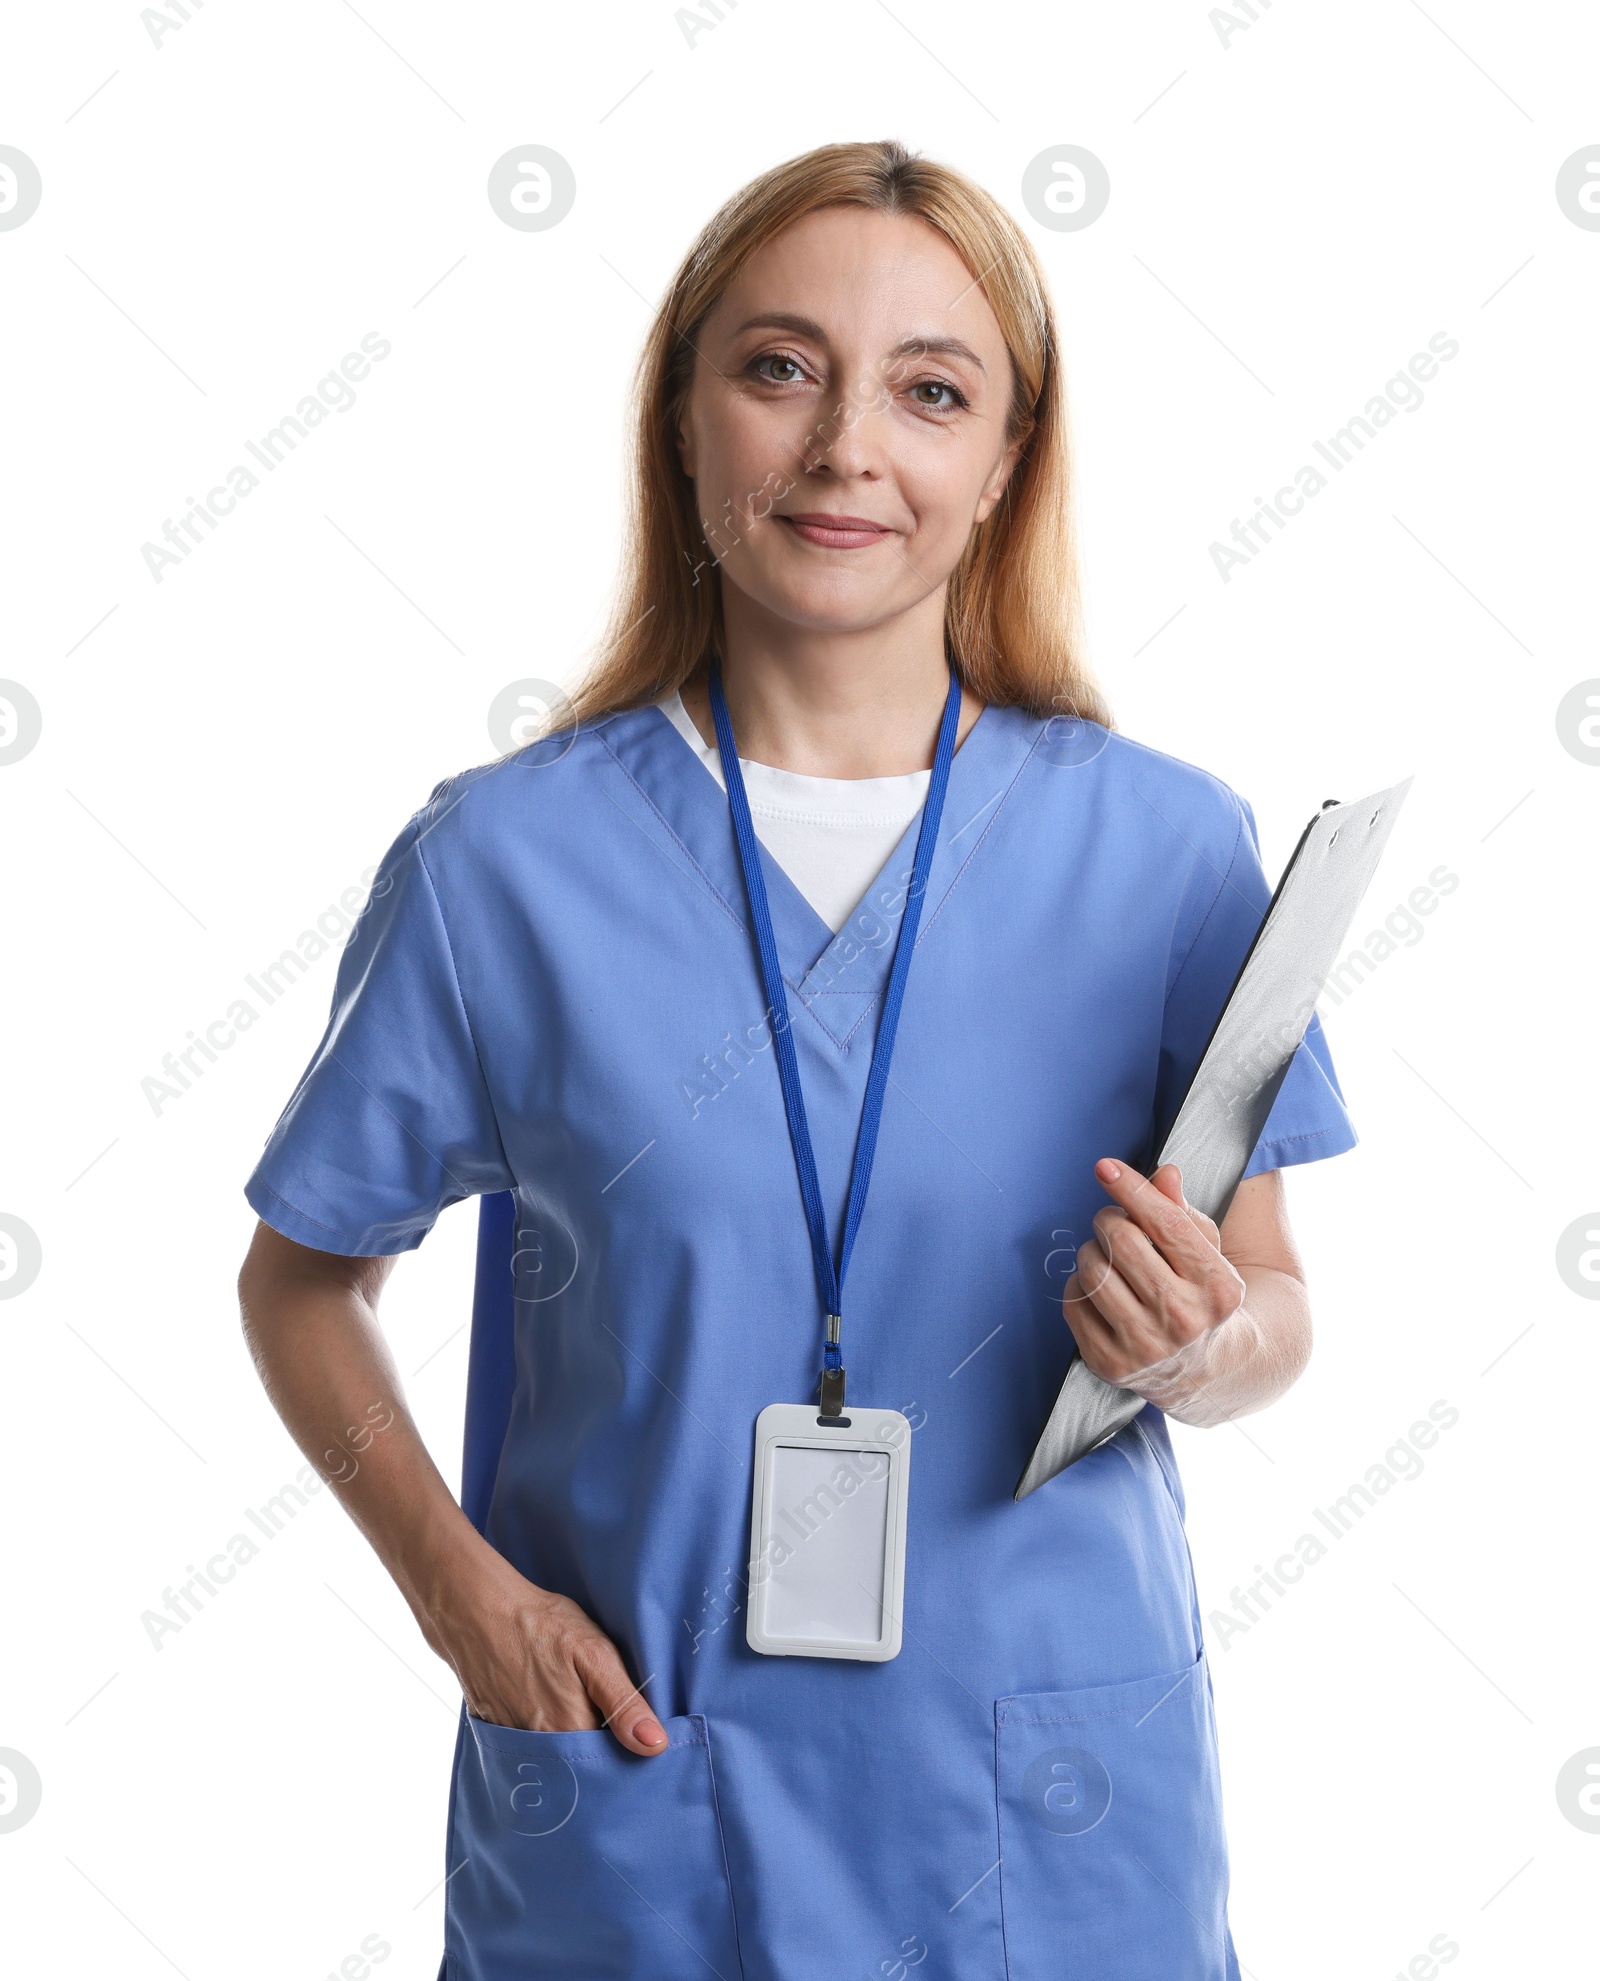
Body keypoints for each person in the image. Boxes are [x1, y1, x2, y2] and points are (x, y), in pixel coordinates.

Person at [237, 138, 1356, 1981]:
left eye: (933, 390)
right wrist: (462, 1603)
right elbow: (301, 1285)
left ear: (1006, 462)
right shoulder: (500, 867)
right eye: (779, 368)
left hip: (1050, 1813)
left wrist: (1206, 1340)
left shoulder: (1166, 855)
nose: (850, 445)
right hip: (645, 1793)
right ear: (685, 421)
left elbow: (1280, 1306)